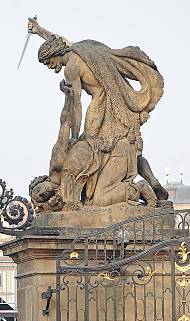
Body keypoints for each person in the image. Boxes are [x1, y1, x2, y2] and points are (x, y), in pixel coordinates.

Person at [27, 17, 169, 210]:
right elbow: (59, 40)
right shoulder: (83, 48)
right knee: (127, 144)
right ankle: (152, 180)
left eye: (49, 63)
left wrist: (75, 137)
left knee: (94, 146)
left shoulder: (71, 69)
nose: (51, 67)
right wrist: (39, 30)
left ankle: (100, 192)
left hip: (101, 106)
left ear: (55, 54)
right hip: (118, 99)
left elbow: (76, 105)